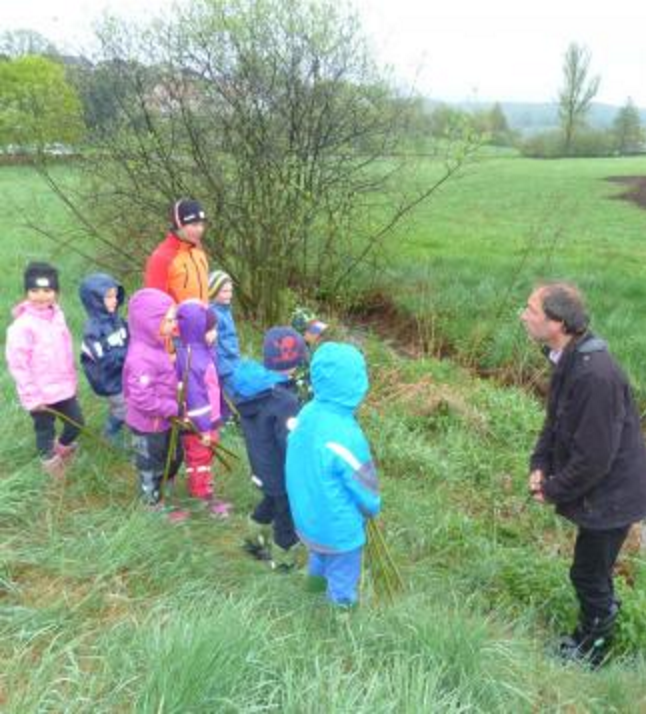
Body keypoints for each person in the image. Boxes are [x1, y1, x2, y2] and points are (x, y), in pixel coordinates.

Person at [521, 281, 646, 667]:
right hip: (602, 488)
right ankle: (598, 621)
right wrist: (539, 465)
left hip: (614, 495)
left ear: (557, 322)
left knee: (588, 574)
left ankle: (590, 650)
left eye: (531, 310)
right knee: (592, 571)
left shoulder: (595, 376)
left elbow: (595, 458)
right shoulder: (568, 357)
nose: (523, 315)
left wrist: (555, 489)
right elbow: (555, 424)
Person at [286, 342, 381, 607]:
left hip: (308, 518)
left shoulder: (307, 413)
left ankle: (312, 596)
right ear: (356, 385)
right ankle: (341, 623)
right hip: (338, 528)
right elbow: (365, 490)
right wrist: (372, 507)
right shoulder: (347, 435)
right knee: (342, 579)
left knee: (318, 557)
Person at [231, 326, 307, 571]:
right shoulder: (285, 402)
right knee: (286, 516)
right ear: (295, 360)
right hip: (281, 471)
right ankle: (284, 563)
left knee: (271, 501)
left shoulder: (253, 387)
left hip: (260, 465)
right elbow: (290, 445)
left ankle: (253, 540)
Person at [6, 262, 84, 477]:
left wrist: (72, 382)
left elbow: (66, 353)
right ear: (26, 292)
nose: (41, 296)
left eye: (47, 290)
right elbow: (18, 365)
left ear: (56, 292)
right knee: (44, 430)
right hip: (39, 394)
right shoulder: (22, 327)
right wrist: (32, 396)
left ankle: (63, 447)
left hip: (63, 388)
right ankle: (50, 464)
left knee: (76, 422)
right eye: (34, 290)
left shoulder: (58, 317)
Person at [123, 288, 184, 514]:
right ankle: (152, 504)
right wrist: (170, 407)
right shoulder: (141, 357)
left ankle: (164, 486)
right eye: (168, 320)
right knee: (150, 464)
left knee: (174, 454)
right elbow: (142, 398)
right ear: (149, 322)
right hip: (147, 426)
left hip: (165, 420)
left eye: (173, 319)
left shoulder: (157, 344)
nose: (173, 325)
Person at [175, 299, 231, 517]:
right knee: (199, 458)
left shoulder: (203, 350)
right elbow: (195, 398)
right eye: (211, 329)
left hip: (210, 419)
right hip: (198, 425)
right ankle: (202, 498)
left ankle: (204, 486)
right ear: (197, 329)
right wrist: (204, 428)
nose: (215, 333)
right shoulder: (192, 358)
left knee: (206, 456)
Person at [79, 273, 129, 445]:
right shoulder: (93, 331)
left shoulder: (117, 320)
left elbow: (128, 337)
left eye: (115, 295)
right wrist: (126, 356)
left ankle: (127, 427)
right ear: (94, 300)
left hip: (123, 374)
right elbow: (100, 358)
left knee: (129, 403)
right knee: (122, 407)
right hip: (109, 379)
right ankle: (110, 433)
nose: (114, 300)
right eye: (108, 297)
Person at [144, 199, 210, 304]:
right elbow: (154, 305)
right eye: (194, 225)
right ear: (179, 224)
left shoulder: (198, 250)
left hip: (203, 319)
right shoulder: (161, 258)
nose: (200, 229)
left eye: (202, 224)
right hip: (176, 320)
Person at [208, 270, 240, 420]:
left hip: (233, 360)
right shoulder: (213, 314)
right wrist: (223, 367)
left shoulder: (226, 309)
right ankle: (224, 419)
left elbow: (230, 338)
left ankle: (228, 417)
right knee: (227, 396)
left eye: (230, 291)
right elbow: (214, 345)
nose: (229, 295)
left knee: (231, 394)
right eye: (224, 291)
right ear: (213, 290)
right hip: (223, 365)